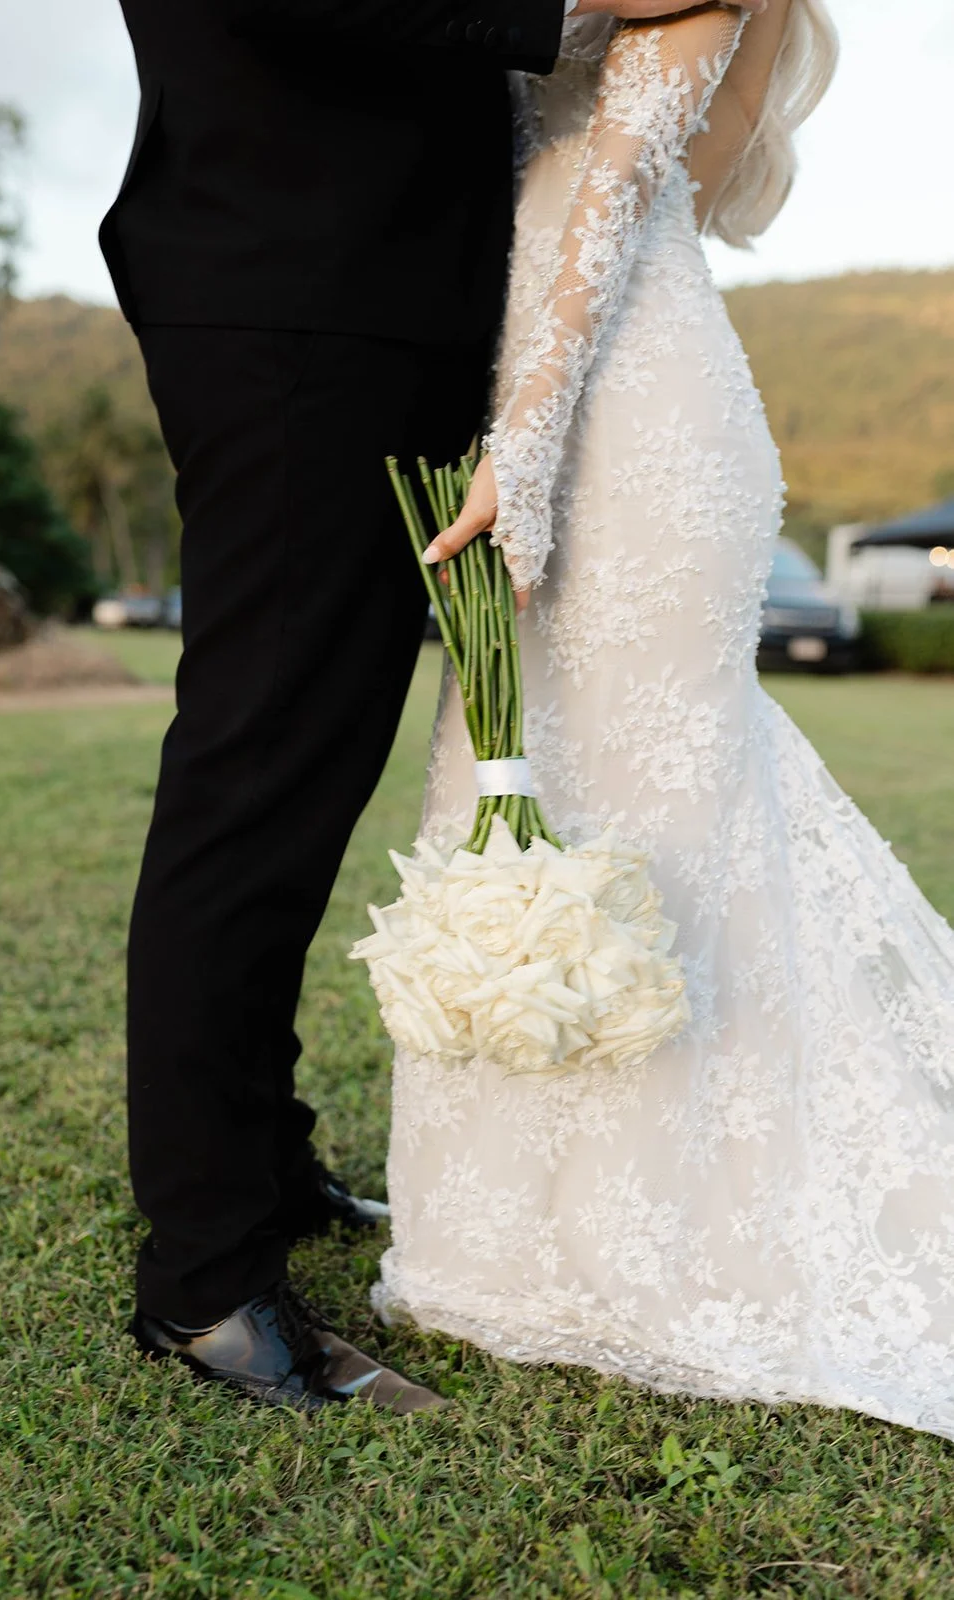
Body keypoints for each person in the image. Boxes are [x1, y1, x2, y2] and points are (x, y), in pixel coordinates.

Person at [98, 0, 762, 1413]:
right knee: (259, 759)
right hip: (292, 277)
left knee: (315, 753)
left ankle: (263, 1156)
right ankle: (204, 1278)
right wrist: (578, 3)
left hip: (393, 286)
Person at [378, 0, 954, 1442]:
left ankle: (656, 1237)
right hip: (548, 384)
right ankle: (502, 1230)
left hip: (618, 412)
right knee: (514, 781)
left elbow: (629, 190)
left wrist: (525, 436)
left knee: (653, 817)